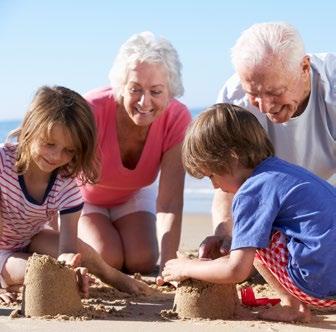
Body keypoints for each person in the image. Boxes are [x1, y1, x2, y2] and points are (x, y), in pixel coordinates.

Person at [162, 103, 336, 323]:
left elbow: (236, 270)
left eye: (211, 175)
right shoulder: (281, 171)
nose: (215, 186)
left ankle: (292, 306)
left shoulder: (251, 190)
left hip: (319, 284)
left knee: (255, 239)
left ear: (232, 157)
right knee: (256, 233)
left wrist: (189, 266)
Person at [0, 86, 151, 303]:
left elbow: (67, 248)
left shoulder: (65, 183)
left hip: (29, 239)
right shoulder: (2, 163)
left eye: (69, 150)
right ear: (29, 130)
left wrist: (69, 264)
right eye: (49, 144)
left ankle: (112, 276)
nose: (56, 156)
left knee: (75, 258)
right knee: (42, 274)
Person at [206, 21, 336, 259]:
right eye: (253, 94)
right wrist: (225, 231)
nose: (265, 107)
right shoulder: (233, 99)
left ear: (304, 67)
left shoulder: (333, 86)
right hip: (272, 195)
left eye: (275, 93)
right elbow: (228, 178)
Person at [78, 31, 192, 285]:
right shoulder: (91, 109)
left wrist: (168, 267)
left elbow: (170, 201)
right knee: (108, 257)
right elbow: (59, 177)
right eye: (135, 89)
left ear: (171, 90)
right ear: (121, 85)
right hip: (83, 198)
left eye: (156, 91)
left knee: (143, 259)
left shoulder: (177, 118)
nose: (144, 101)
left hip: (132, 194)